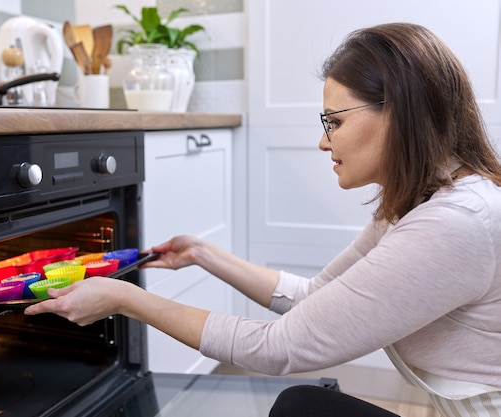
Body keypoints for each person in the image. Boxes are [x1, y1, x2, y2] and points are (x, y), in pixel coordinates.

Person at [25, 22, 501, 416]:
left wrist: (127, 299)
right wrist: (205, 255)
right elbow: (312, 299)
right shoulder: (418, 200)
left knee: (301, 408)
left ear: (399, 113)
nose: (323, 141)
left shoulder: (454, 223)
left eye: (333, 121)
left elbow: (279, 348)